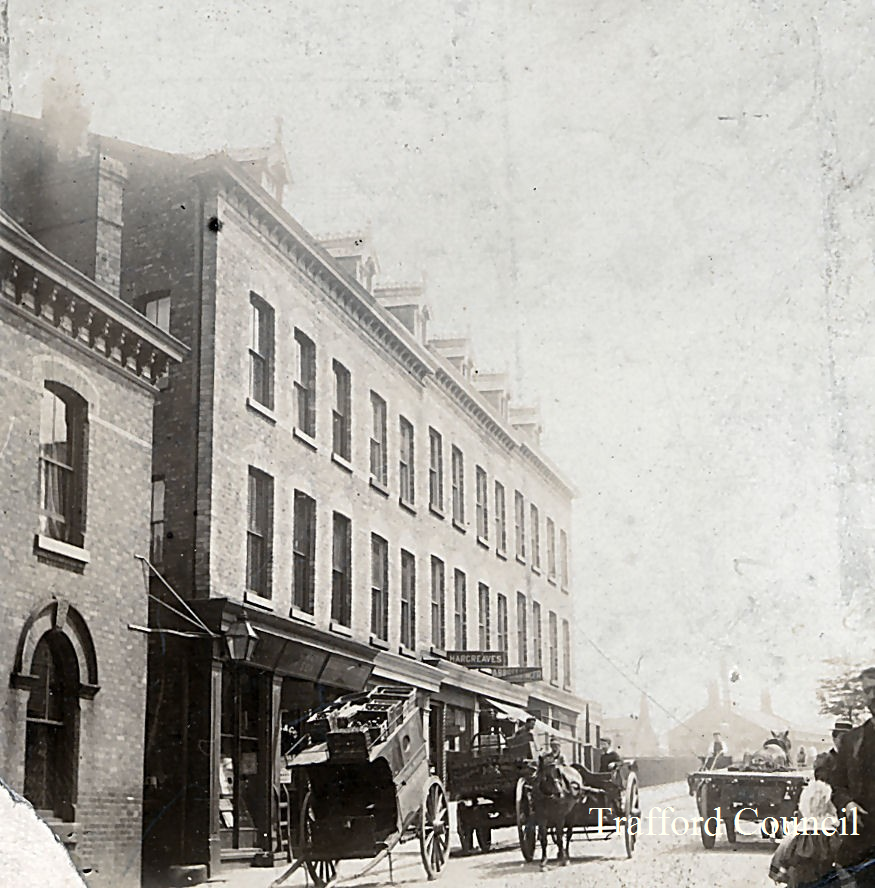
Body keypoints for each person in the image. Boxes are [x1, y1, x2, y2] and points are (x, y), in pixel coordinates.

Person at [829, 667, 875, 885]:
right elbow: (838, 787)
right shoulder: (851, 741)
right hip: (862, 842)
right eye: (867, 691)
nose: (872, 696)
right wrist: (847, 804)